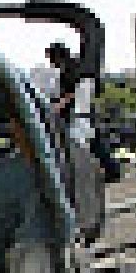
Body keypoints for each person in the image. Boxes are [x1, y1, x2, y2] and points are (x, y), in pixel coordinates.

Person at [45, 41, 121, 183]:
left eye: (50, 58)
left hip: (78, 113)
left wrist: (57, 107)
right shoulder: (76, 66)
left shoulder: (69, 70)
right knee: (94, 143)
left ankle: (108, 172)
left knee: (84, 145)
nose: (50, 62)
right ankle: (112, 171)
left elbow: (72, 93)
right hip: (84, 111)